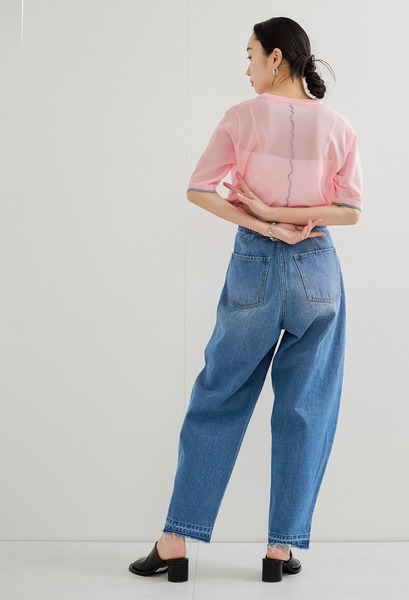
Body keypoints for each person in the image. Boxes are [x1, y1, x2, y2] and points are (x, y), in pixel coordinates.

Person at [129, 16, 362, 584]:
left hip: (254, 266)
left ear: (276, 58)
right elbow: (350, 211)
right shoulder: (338, 126)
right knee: (307, 408)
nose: (248, 67)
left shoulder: (241, 116)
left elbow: (198, 189)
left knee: (218, 397)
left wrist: (265, 219)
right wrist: (290, 220)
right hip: (317, 269)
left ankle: (176, 541)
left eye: (251, 55)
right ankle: (280, 551)